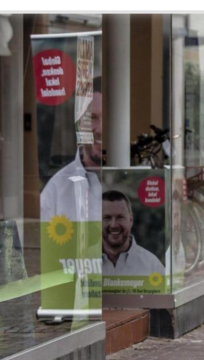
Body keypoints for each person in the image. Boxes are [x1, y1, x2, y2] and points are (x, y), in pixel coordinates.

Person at [40, 77, 103, 222]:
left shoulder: (139, 177)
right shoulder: (55, 190)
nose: (100, 129)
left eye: (109, 118)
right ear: (79, 124)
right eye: (92, 117)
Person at [102, 190, 165, 276]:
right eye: (107, 218)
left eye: (120, 217)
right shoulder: (86, 263)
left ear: (131, 220)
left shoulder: (153, 266)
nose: (113, 225)